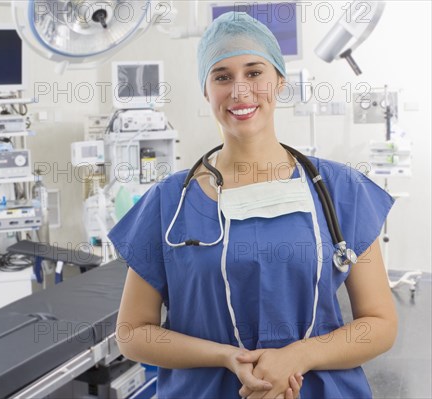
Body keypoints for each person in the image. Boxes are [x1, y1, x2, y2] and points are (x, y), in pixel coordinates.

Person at [108, 11, 398, 399]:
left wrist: (299, 356)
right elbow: (132, 333)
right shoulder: (169, 202)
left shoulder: (340, 189)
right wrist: (227, 357)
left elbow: (379, 323)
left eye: (254, 72)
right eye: (222, 76)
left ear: (279, 81)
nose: (239, 90)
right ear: (206, 91)